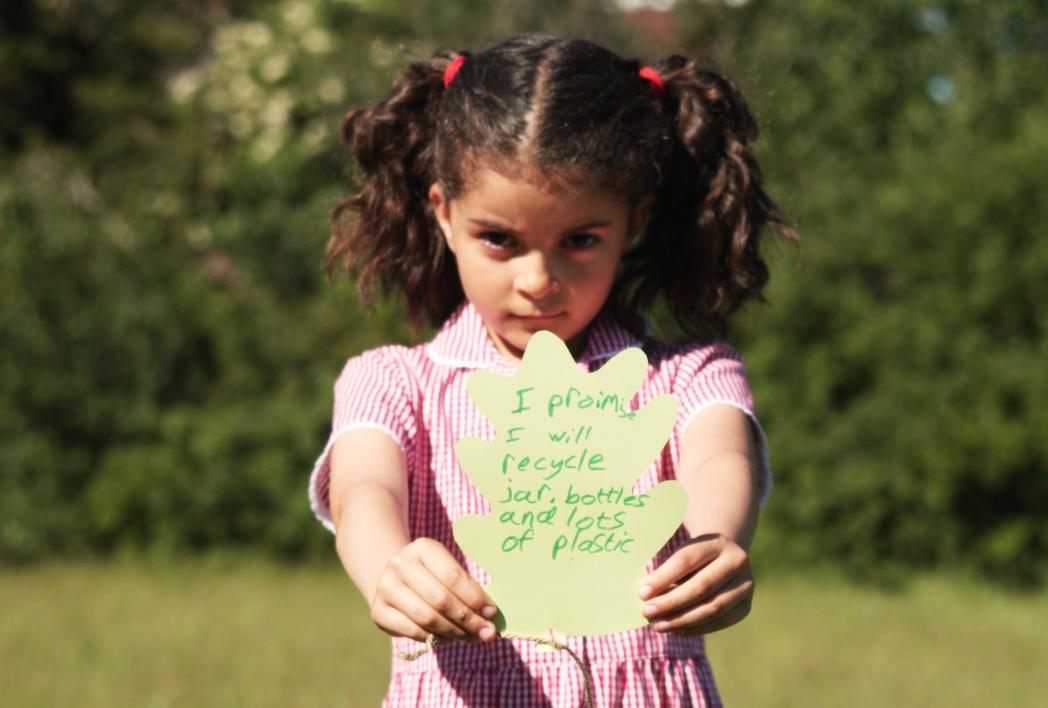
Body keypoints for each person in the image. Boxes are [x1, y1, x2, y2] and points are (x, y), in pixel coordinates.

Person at [308, 34, 797, 707]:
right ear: (444, 214)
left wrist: (716, 544)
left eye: (580, 240)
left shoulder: (691, 376)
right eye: (499, 239)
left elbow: (719, 462)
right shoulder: (392, 383)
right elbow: (364, 491)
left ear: (634, 222)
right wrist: (388, 568)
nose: (539, 280)